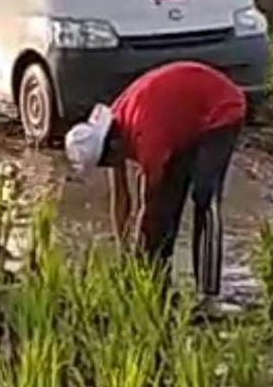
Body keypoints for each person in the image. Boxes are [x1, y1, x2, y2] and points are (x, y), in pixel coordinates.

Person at [64, 61, 246, 299]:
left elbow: (147, 202)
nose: (111, 166)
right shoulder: (111, 129)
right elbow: (122, 199)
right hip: (181, 118)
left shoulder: (147, 137)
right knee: (164, 207)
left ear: (112, 146)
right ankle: (157, 286)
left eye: (106, 162)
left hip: (220, 106)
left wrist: (140, 244)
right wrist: (124, 252)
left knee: (204, 194)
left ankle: (208, 294)